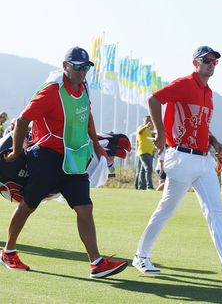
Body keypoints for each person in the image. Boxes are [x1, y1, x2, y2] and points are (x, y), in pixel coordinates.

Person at [133, 46, 222, 280]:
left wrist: (212, 140)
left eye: (215, 62)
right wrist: (160, 134)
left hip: (203, 160)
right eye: (207, 60)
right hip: (181, 157)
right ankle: (141, 254)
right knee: (167, 208)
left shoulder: (208, 93)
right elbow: (154, 99)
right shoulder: (184, 84)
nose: (211, 64)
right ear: (195, 63)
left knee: (215, 211)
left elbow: (200, 123)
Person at [0, 47, 127, 278]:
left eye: (86, 67)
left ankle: (96, 263)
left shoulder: (84, 87)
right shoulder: (51, 92)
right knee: (28, 205)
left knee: (85, 208)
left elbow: (86, 115)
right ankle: (8, 251)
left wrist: (98, 146)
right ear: (65, 65)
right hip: (45, 157)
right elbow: (22, 121)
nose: (82, 72)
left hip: (74, 159)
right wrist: (16, 153)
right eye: (77, 66)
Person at [135, 116, 155, 190]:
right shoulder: (141, 127)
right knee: (148, 168)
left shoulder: (149, 130)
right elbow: (139, 132)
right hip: (143, 151)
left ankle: (140, 186)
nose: (149, 122)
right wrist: (146, 126)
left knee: (142, 170)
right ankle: (149, 186)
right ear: (144, 120)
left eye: (150, 120)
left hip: (149, 152)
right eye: (147, 120)